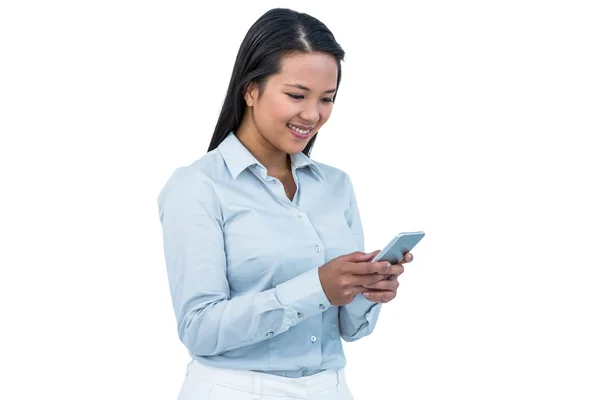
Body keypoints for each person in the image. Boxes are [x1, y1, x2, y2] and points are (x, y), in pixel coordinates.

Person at [157, 7, 413, 400]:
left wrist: (367, 288)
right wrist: (318, 287)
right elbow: (199, 327)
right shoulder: (197, 186)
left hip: (331, 388)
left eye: (326, 99)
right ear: (251, 89)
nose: (312, 115)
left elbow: (350, 329)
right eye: (296, 95)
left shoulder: (336, 185)